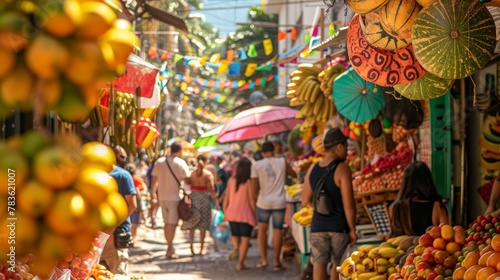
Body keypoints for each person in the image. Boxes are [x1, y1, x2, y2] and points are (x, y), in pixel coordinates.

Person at [301, 128, 357, 280]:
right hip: (338, 227)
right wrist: (352, 229)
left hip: (317, 226)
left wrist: (321, 208)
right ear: (339, 147)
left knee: (319, 263)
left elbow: (305, 200)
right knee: (337, 263)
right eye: (346, 146)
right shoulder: (342, 168)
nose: (347, 150)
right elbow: (349, 204)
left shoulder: (313, 168)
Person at [251, 141, 297, 271]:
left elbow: (254, 188)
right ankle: (277, 262)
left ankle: (264, 260)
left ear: (262, 153)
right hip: (279, 200)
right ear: (274, 150)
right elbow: (294, 174)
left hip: (263, 201)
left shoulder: (256, 165)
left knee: (262, 230)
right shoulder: (282, 162)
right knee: (278, 230)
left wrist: (256, 202)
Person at [101, 146, 137, 275]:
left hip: (116, 235)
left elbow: (132, 205)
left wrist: (112, 228)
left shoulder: (122, 175)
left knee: (118, 273)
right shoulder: (93, 175)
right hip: (95, 237)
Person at [151, 143, 191, 259]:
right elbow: (187, 180)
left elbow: (154, 180)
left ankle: (169, 246)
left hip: (162, 196)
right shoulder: (180, 163)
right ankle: (169, 248)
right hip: (175, 198)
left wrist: (153, 194)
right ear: (179, 151)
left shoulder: (160, 162)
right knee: (172, 224)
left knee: (166, 223)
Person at [389, 161, 449, 236]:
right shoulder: (437, 207)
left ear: (405, 183)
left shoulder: (394, 208)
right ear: (428, 181)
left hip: (400, 247)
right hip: (430, 248)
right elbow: (447, 235)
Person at [222, 158, 256, 270]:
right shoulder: (248, 182)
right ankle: (240, 263)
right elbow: (251, 200)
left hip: (232, 213)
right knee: (245, 239)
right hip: (245, 214)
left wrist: (224, 210)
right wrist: (255, 213)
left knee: (235, 235)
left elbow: (226, 198)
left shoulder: (231, 180)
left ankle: (236, 247)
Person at [181, 154, 219, 255]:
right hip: (204, 200)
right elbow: (212, 189)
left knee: (192, 225)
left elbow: (186, 182)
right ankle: (201, 248)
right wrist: (216, 202)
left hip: (193, 199)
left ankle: (191, 247)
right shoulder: (208, 174)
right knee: (203, 226)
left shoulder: (192, 173)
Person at [124, 163, 147, 246]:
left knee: (127, 223)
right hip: (134, 204)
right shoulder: (136, 179)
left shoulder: (124, 178)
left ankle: (128, 239)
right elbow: (143, 188)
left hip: (125, 204)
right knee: (134, 224)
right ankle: (133, 240)